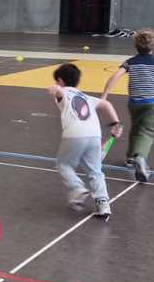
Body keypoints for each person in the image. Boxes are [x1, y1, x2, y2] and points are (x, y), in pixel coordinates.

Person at [99, 29, 154, 182]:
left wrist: (104, 96)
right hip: (151, 104)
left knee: (136, 129)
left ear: (136, 46)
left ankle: (130, 158)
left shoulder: (130, 62)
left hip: (134, 103)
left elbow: (114, 77)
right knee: (147, 132)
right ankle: (140, 157)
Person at [48, 63, 123, 219]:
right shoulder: (86, 97)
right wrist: (116, 123)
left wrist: (56, 90)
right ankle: (103, 203)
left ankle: (77, 188)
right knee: (95, 171)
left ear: (60, 80)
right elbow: (106, 104)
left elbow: (60, 94)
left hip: (74, 134)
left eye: (57, 81)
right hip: (95, 135)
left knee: (63, 165)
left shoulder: (62, 93)